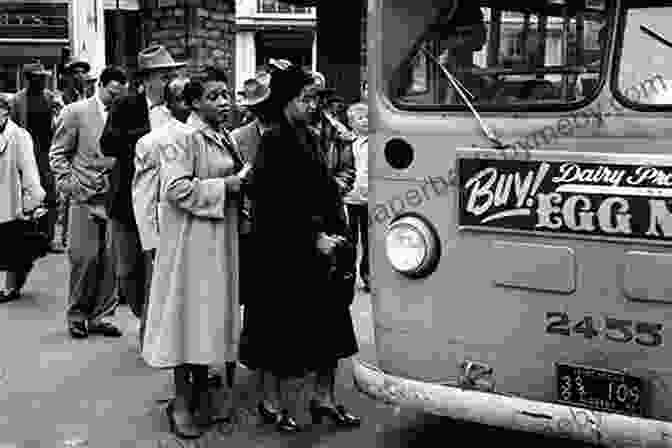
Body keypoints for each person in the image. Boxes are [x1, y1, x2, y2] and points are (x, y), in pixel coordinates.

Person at [240, 64, 361, 433]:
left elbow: (324, 189)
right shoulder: (275, 140)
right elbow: (276, 203)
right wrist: (313, 238)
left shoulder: (309, 135)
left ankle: (323, 397)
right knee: (277, 330)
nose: (312, 105)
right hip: (281, 253)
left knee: (331, 325)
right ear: (286, 101)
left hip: (320, 248)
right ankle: (271, 403)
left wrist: (336, 234)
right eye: (304, 99)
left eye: (314, 99)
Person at [142, 67, 245, 439]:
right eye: (215, 96)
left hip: (218, 239)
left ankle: (201, 393)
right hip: (190, 243)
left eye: (226, 94)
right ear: (195, 102)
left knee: (207, 318)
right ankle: (182, 403)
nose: (224, 101)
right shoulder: (181, 139)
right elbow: (176, 189)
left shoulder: (224, 137)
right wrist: (228, 185)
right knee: (187, 318)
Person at [100, 45, 186, 349]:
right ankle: (142, 314)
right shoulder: (125, 105)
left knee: (157, 272)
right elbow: (107, 144)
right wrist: (149, 135)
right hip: (127, 203)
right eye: (164, 76)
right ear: (148, 79)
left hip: (166, 204)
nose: (169, 82)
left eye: (171, 75)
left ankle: (151, 331)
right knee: (127, 272)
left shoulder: (180, 108)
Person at [49, 65, 128, 339]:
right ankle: (77, 315)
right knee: (84, 257)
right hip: (83, 197)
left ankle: (101, 316)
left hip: (114, 199)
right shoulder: (75, 112)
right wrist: (71, 186)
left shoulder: (125, 115)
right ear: (101, 86)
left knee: (110, 261)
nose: (115, 99)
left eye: (120, 94)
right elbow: (57, 154)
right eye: (112, 93)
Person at [231, 74, 283, 420]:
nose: (261, 111)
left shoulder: (289, 133)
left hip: (283, 228)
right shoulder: (238, 138)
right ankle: (251, 363)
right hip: (250, 228)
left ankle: (279, 366)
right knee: (251, 299)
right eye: (255, 106)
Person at [132, 76, 192, 352]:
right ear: (168, 105)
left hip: (201, 230)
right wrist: (151, 240)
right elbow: (144, 195)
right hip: (168, 229)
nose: (188, 104)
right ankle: (155, 345)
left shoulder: (216, 136)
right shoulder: (153, 142)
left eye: (192, 96)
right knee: (162, 293)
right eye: (181, 99)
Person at [11, 61, 64, 255]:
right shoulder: (17, 101)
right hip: (24, 155)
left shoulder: (50, 98)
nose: (42, 81)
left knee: (49, 197)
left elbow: (58, 125)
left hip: (45, 155)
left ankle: (48, 239)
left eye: (43, 78)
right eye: (38, 78)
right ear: (28, 79)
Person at [0, 93, 46, 302]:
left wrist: (34, 199)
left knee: (12, 242)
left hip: (12, 196)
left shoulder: (19, 135)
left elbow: (29, 170)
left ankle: (11, 287)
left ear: (6, 112)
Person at [343, 102, 370, 293]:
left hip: (370, 199)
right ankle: (349, 273)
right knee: (349, 240)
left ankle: (368, 275)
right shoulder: (346, 143)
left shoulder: (375, 141)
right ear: (351, 123)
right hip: (350, 199)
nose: (365, 121)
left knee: (369, 241)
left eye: (368, 117)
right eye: (360, 118)